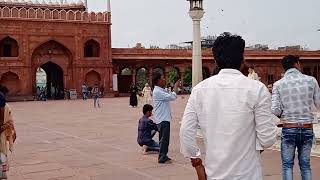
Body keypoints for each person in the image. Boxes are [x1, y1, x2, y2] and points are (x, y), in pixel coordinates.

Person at [180, 32, 277, 180]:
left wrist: (197, 164)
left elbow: (186, 132)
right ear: (242, 60)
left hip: (214, 174)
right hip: (248, 174)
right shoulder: (257, 89)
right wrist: (249, 150)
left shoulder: (199, 90)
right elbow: (267, 139)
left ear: (216, 61)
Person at [271, 55, 319, 180]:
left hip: (289, 128)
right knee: (305, 165)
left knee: (287, 165)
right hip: (307, 127)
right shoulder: (311, 80)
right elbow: (318, 104)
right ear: (297, 64)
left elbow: (275, 110)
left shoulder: (278, 84)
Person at [152, 73, 179, 164]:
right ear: (158, 80)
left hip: (162, 118)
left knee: (163, 139)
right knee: (164, 139)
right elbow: (172, 97)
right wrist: (175, 87)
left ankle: (163, 155)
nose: (165, 80)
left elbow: (169, 95)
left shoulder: (160, 90)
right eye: (163, 78)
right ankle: (162, 157)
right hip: (163, 118)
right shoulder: (158, 91)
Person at [0, 85, 17, 179]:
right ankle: (2, 173)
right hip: (1, 132)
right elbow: (10, 122)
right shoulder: (6, 106)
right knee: (2, 152)